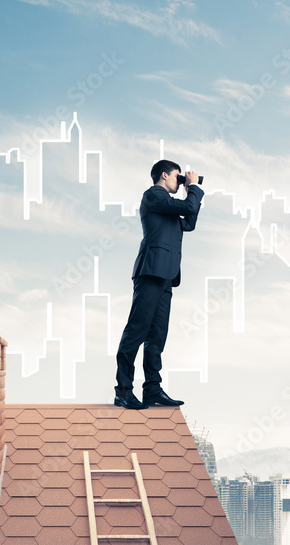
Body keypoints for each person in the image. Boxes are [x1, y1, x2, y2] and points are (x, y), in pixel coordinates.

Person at [114, 159, 203, 409]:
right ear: (164, 175)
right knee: (137, 331)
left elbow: (190, 222)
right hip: (151, 272)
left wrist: (190, 192)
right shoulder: (154, 195)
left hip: (166, 275)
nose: (181, 181)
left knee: (157, 335)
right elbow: (187, 206)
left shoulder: (169, 207)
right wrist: (193, 188)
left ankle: (152, 388)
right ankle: (123, 390)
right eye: (178, 176)